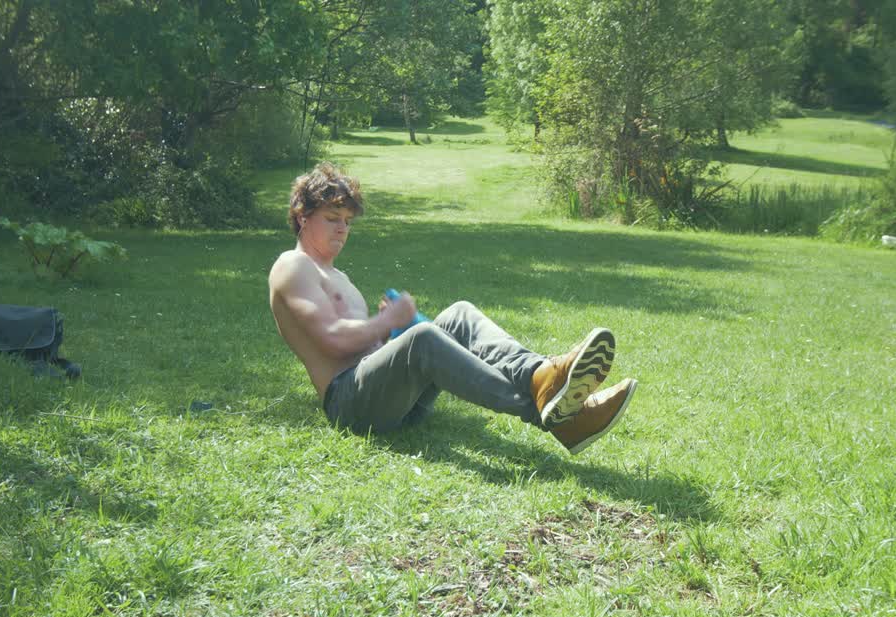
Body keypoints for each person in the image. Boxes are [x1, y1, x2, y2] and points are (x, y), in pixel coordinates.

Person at [267, 163, 637, 454]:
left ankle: (541, 375)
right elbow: (332, 343)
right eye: (332, 219)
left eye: (347, 221)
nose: (343, 229)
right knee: (423, 338)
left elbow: (364, 349)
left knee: (458, 314)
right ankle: (561, 419)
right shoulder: (292, 266)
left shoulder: (338, 276)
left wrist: (387, 330)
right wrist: (388, 321)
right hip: (350, 406)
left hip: (391, 402)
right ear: (302, 217)